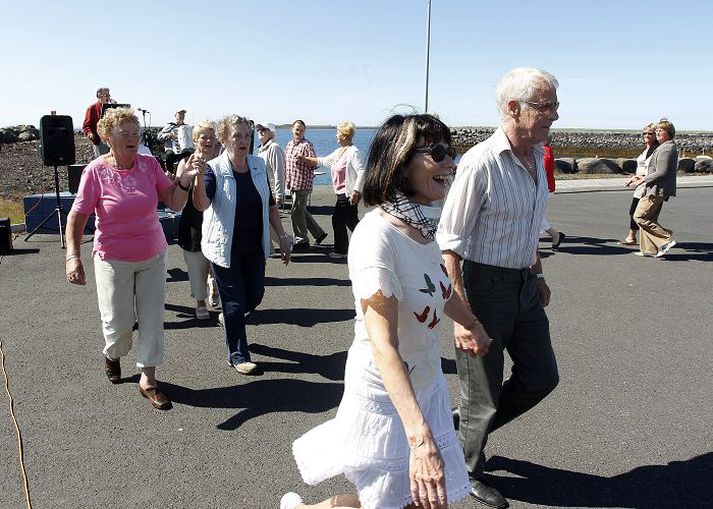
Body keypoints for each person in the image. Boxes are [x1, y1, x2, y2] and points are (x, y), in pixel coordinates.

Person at [281, 114, 493, 509]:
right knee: (384, 503)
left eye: (452, 152)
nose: (451, 163)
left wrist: (472, 324)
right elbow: (383, 343)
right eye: (439, 153)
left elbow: (439, 288)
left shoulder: (422, 229)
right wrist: (420, 439)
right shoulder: (376, 238)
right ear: (399, 162)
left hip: (425, 386)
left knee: (420, 501)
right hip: (387, 397)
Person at [437, 67, 561, 509]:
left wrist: (539, 273)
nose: (554, 116)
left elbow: (530, 226)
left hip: (525, 284)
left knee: (543, 376)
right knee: (482, 393)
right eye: (546, 107)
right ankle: (467, 469)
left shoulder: (536, 154)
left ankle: (466, 426)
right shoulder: (481, 162)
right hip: (483, 286)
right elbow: (449, 241)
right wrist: (461, 315)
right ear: (514, 108)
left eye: (555, 106)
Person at [65, 107, 199, 410]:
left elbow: (175, 204)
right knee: (119, 322)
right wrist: (73, 257)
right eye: (125, 133)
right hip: (113, 258)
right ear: (107, 137)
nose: (132, 138)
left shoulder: (148, 165)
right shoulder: (96, 171)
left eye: (136, 133)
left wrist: (184, 181)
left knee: (152, 319)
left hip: (152, 254)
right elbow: (76, 217)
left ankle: (148, 379)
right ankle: (113, 354)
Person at [192, 115, 293, 374]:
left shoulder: (258, 165)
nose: (244, 141)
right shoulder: (214, 168)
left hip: (254, 246)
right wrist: (198, 178)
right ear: (224, 139)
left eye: (247, 136)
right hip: (224, 248)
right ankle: (238, 355)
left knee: (255, 295)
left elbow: (269, 203)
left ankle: (229, 317)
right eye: (237, 136)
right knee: (235, 302)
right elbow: (201, 205)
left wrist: (282, 235)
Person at [298, 121, 365, 260]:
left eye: (338, 132)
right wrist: (304, 159)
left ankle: (347, 250)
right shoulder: (340, 152)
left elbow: (362, 171)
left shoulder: (353, 152)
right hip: (341, 194)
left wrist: (356, 191)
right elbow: (323, 161)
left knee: (344, 221)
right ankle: (353, 248)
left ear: (344, 135)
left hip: (348, 195)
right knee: (346, 221)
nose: (336, 135)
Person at [175, 121, 218, 319]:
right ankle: (200, 301)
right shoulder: (186, 161)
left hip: (218, 221)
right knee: (196, 265)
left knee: (218, 263)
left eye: (211, 136)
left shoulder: (223, 160)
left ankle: (215, 286)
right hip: (194, 221)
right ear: (195, 140)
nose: (208, 140)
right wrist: (189, 175)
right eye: (204, 136)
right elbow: (178, 194)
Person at [631, 118, 678, 258]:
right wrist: (641, 178)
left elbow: (661, 172)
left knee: (639, 216)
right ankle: (649, 249)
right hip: (654, 188)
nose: (657, 132)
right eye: (657, 130)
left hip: (657, 189)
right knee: (649, 218)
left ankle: (665, 239)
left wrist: (643, 180)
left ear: (669, 132)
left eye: (661, 130)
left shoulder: (667, 148)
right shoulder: (664, 147)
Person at [284, 120, 327, 250]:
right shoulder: (289, 145)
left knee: (296, 212)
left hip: (303, 184)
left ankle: (302, 240)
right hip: (292, 183)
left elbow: (315, 163)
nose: (299, 132)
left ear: (304, 131)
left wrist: (304, 159)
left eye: (301, 130)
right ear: (292, 130)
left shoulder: (307, 145)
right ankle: (319, 233)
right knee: (301, 210)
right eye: (297, 129)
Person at [619, 124, 660, 246]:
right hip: (640, 184)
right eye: (645, 133)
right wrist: (634, 177)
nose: (647, 135)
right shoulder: (646, 149)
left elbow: (655, 170)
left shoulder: (657, 150)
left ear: (655, 135)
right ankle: (634, 237)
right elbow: (641, 168)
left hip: (648, 184)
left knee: (640, 214)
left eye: (650, 133)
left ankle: (658, 238)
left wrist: (641, 178)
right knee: (635, 212)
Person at [540, 136, 565, 249]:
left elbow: (543, 169)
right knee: (535, 213)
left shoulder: (545, 150)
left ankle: (555, 235)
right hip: (546, 187)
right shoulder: (544, 150)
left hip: (545, 188)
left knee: (535, 214)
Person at [158, 108, 194, 174]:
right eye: (180, 114)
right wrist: (168, 135)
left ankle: (185, 175)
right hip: (171, 148)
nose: (182, 115)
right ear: (175, 115)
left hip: (184, 150)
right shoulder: (170, 126)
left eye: (183, 114)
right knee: (169, 155)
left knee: (190, 155)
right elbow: (159, 136)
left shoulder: (187, 127)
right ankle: (169, 175)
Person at [82, 87, 112, 157]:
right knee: (102, 163)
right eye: (106, 95)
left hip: (112, 141)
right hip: (100, 142)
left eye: (109, 95)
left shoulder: (112, 108)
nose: (108, 97)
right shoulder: (92, 108)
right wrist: (90, 134)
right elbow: (86, 125)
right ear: (99, 96)